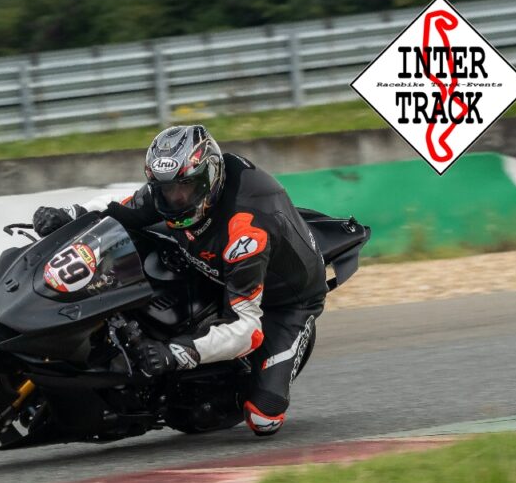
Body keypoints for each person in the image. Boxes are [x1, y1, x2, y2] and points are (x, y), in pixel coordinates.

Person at [31, 125, 327, 436]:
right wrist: (69, 214)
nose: (176, 199)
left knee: (264, 417)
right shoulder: (177, 192)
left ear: (210, 179)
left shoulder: (245, 233)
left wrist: (174, 354)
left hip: (284, 302)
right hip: (210, 258)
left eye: (185, 189)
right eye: (166, 190)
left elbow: (247, 330)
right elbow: (125, 204)